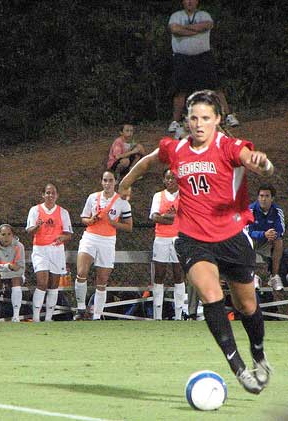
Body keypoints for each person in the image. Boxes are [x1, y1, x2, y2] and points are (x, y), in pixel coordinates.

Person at [119, 89, 274, 394]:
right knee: (211, 294)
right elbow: (149, 161)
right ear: (186, 121)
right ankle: (238, 368)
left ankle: (258, 354)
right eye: (193, 118)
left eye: (206, 117)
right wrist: (125, 182)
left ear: (218, 119)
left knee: (247, 304)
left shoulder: (229, 147)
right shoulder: (176, 150)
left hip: (231, 237)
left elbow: (257, 164)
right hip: (193, 237)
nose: (199, 123)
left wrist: (264, 164)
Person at [167, 0, 239, 137]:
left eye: (192, 0)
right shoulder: (176, 16)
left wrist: (185, 30)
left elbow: (206, 25)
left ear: (197, 2)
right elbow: (174, 29)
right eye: (187, 0)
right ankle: (175, 122)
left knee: (215, 87)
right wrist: (195, 29)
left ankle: (228, 116)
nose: (189, 2)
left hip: (203, 57)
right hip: (182, 58)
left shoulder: (204, 15)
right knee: (179, 91)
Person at [75, 170, 133, 320]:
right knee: (81, 272)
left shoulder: (122, 201)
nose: (107, 184)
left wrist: (112, 222)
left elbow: (129, 226)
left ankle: (97, 315)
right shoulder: (93, 197)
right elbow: (84, 218)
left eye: (110, 180)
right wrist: (91, 220)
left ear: (115, 182)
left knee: (102, 280)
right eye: (105, 180)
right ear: (101, 182)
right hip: (91, 236)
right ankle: (80, 308)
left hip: (107, 240)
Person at [26, 183, 73, 322]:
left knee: (54, 285)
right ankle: (35, 317)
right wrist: (37, 226)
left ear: (57, 195)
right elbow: (30, 230)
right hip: (40, 249)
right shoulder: (35, 210)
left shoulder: (63, 212)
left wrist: (63, 237)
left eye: (53, 193)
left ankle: (48, 318)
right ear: (43, 195)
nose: (50, 195)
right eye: (47, 193)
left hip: (56, 250)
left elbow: (68, 234)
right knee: (42, 282)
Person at [149, 169, 185, 320]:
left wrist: (167, 217)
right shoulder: (159, 196)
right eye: (167, 178)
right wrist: (169, 218)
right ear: (164, 180)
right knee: (159, 274)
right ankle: (158, 315)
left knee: (179, 275)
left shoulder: (184, 196)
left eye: (173, 178)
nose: (170, 180)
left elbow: (188, 216)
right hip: (162, 238)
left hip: (179, 238)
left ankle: (179, 315)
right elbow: (154, 217)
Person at [248, 184, 285, 291]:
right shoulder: (250, 210)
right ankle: (254, 276)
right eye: (261, 196)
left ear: (272, 198)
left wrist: (272, 234)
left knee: (279, 241)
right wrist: (263, 234)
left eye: (267, 196)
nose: (263, 199)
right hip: (254, 240)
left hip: (269, 240)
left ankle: (274, 276)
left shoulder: (277, 210)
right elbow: (247, 231)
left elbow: (281, 229)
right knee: (248, 240)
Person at [0, 224, 25, 322]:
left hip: (14, 274)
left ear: (12, 235)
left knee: (16, 280)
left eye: (9, 234)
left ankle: (16, 316)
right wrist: (8, 266)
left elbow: (19, 267)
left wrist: (6, 269)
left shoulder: (19, 246)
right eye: (3, 234)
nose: (6, 237)